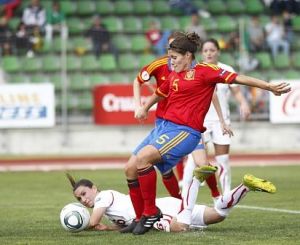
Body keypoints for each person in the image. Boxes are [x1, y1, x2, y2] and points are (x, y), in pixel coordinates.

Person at [124, 32, 290, 235]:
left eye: (174, 57)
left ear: (187, 55)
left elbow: (237, 79)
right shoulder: (175, 73)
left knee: (144, 159)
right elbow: (161, 92)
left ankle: (151, 213)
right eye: (169, 57)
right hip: (164, 127)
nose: (170, 62)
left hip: (185, 131)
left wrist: (268, 86)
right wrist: (144, 107)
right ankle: (140, 215)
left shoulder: (205, 71)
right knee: (130, 168)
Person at [132, 31, 232, 217]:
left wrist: (221, 120)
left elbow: (213, 93)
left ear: (186, 52)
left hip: (191, 125)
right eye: (170, 51)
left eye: (175, 52)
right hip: (166, 123)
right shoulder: (162, 64)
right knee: (165, 168)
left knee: (203, 163)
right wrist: (141, 107)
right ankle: (179, 205)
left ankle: (216, 195)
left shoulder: (197, 69)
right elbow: (140, 82)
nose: (171, 57)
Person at [66, 172, 277, 232]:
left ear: (94, 188)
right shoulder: (108, 207)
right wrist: (109, 229)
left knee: (179, 227)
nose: (84, 200)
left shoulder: (103, 196)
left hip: (160, 210)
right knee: (218, 215)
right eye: (79, 199)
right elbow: (125, 222)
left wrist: (77, 224)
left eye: (84, 194)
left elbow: (92, 221)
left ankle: (195, 180)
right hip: (162, 207)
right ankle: (247, 186)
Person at [183, 38, 251, 199]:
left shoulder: (226, 69)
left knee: (223, 161)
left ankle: (226, 195)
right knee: (195, 160)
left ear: (218, 52)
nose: (209, 53)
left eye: (212, 50)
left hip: (222, 122)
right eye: (205, 50)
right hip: (200, 122)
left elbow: (236, 92)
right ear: (202, 53)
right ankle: (187, 192)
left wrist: (243, 103)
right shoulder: (196, 71)